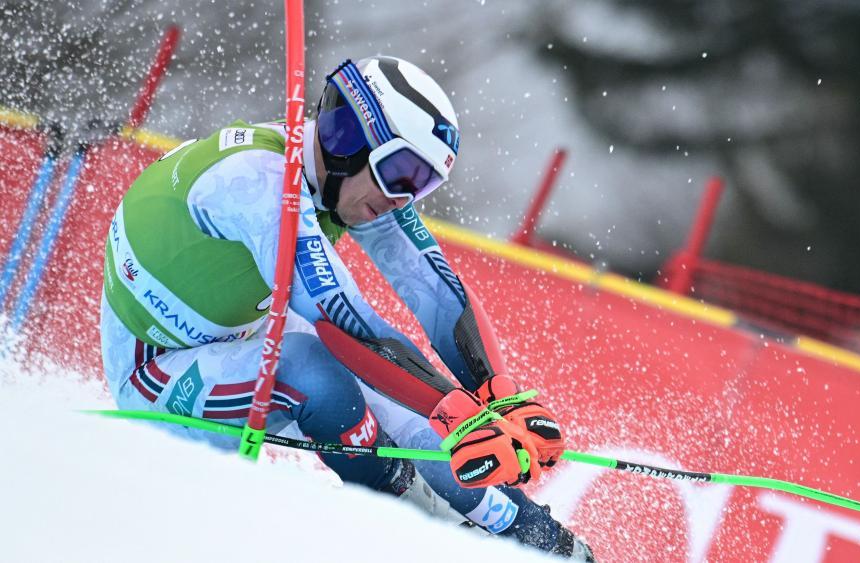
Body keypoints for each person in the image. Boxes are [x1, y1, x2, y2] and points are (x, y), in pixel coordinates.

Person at [99, 56, 595, 560]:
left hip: (239, 344)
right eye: (402, 171)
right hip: (157, 374)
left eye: (422, 184)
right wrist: (458, 412)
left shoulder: (351, 183)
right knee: (319, 372)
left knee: (416, 412)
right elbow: (341, 319)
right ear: (347, 136)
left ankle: (540, 541)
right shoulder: (256, 181)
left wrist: (496, 393)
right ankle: (418, 524)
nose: (406, 197)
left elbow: (440, 296)